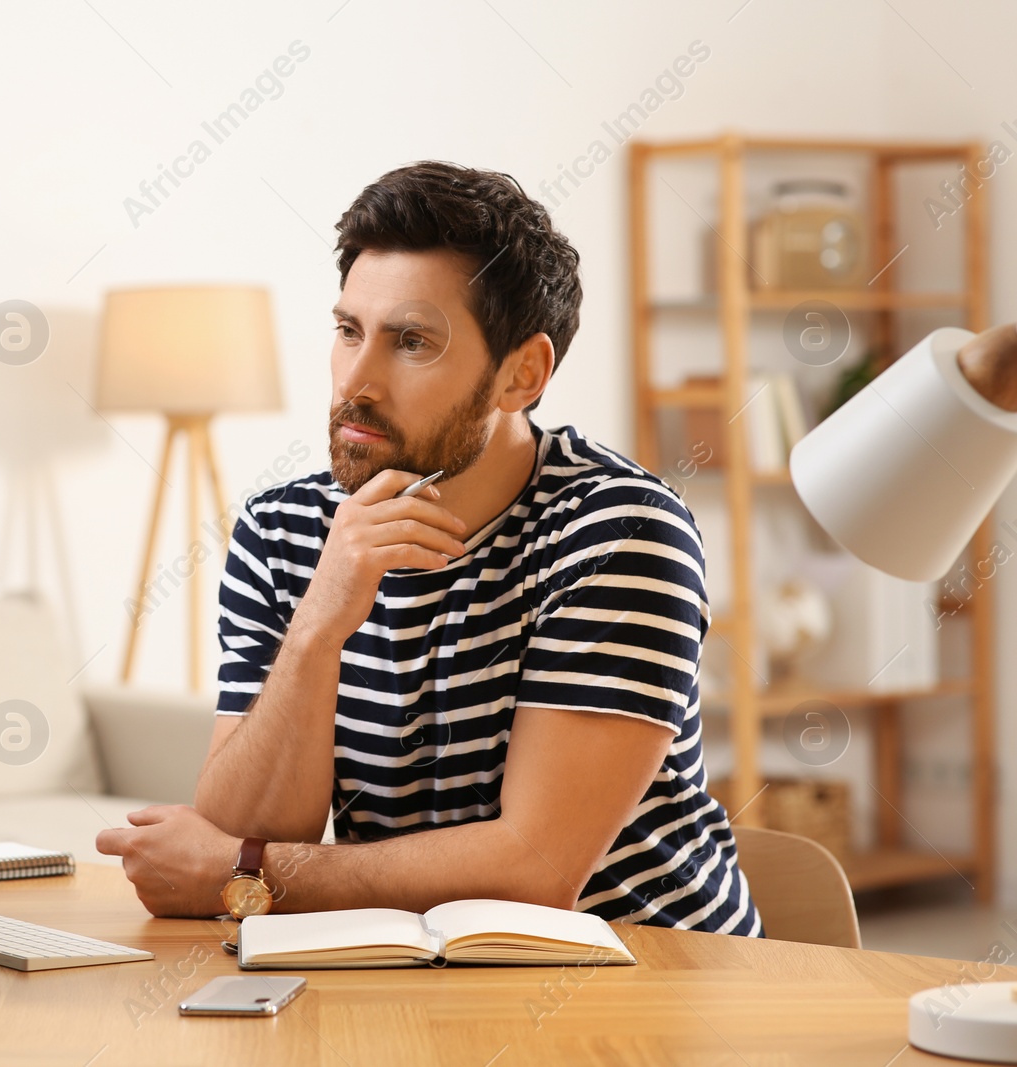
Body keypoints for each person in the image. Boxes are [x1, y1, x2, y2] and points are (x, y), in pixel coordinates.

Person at [98, 160, 761, 935]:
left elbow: (535, 869)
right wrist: (319, 624)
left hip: (650, 984)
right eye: (348, 331)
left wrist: (247, 876)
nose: (357, 382)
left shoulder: (619, 532)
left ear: (523, 374)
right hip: (420, 975)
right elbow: (248, 824)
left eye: (411, 342)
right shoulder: (285, 528)